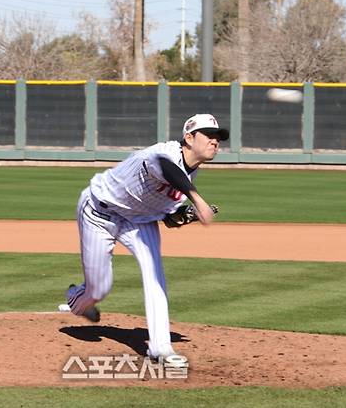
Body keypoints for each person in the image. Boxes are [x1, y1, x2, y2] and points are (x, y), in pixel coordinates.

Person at [66, 113, 229, 361]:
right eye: (209, 135)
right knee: (99, 288)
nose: (215, 141)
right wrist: (198, 200)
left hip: (138, 221)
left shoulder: (191, 173)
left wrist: (181, 217)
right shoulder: (163, 154)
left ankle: (160, 347)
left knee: (155, 274)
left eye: (218, 137)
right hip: (99, 212)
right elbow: (167, 169)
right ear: (188, 137)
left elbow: (167, 216)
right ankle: (78, 300)